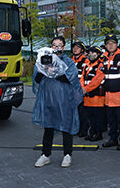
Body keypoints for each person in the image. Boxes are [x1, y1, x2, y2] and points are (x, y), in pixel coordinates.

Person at [33, 36, 83, 168]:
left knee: (67, 127)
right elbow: (36, 80)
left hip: (65, 101)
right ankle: (45, 155)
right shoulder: (44, 60)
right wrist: (42, 69)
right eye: (54, 45)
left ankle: (67, 155)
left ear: (64, 47)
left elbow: (72, 80)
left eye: (59, 45)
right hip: (49, 100)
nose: (57, 48)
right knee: (48, 127)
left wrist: (56, 72)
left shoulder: (69, 62)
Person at [101, 34, 120, 150]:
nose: (110, 45)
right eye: (108, 43)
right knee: (111, 121)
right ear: (105, 45)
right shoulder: (104, 58)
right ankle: (112, 139)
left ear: (117, 44)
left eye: (113, 43)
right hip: (109, 96)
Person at [80, 46, 106, 141]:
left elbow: (98, 79)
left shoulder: (101, 65)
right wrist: (82, 87)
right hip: (87, 96)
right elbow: (82, 77)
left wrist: (86, 89)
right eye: (90, 52)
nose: (90, 54)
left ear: (98, 54)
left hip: (97, 96)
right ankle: (92, 132)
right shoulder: (86, 65)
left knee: (98, 116)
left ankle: (98, 134)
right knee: (90, 117)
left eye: (93, 52)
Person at [71, 41, 89, 138]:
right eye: (74, 47)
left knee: (82, 111)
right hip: (71, 89)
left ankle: (83, 130)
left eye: (78, 47)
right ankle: (74, 128)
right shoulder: (70, 60)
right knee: (73, 111)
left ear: (82, 49)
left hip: (80, 89)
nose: (75, 49)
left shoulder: (85, 60)